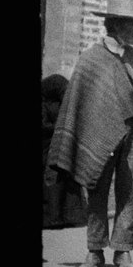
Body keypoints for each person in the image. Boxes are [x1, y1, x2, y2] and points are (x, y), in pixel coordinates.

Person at [47, 0, 133, 267]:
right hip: (98, 135)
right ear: (114, 25)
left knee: (131, 191)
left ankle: (122, 251)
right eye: (131, 24)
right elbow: (79, 102)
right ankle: (94, 251)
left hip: (132, 133)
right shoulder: (90, 59)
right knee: (95, 188)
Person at [42, 74, 84, 228]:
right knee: (57, 180)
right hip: (53, 146)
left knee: (56, 180)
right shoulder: (54, 102)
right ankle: (63, 217)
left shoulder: (54, 102)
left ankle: (57, 218)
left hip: (55, 146)